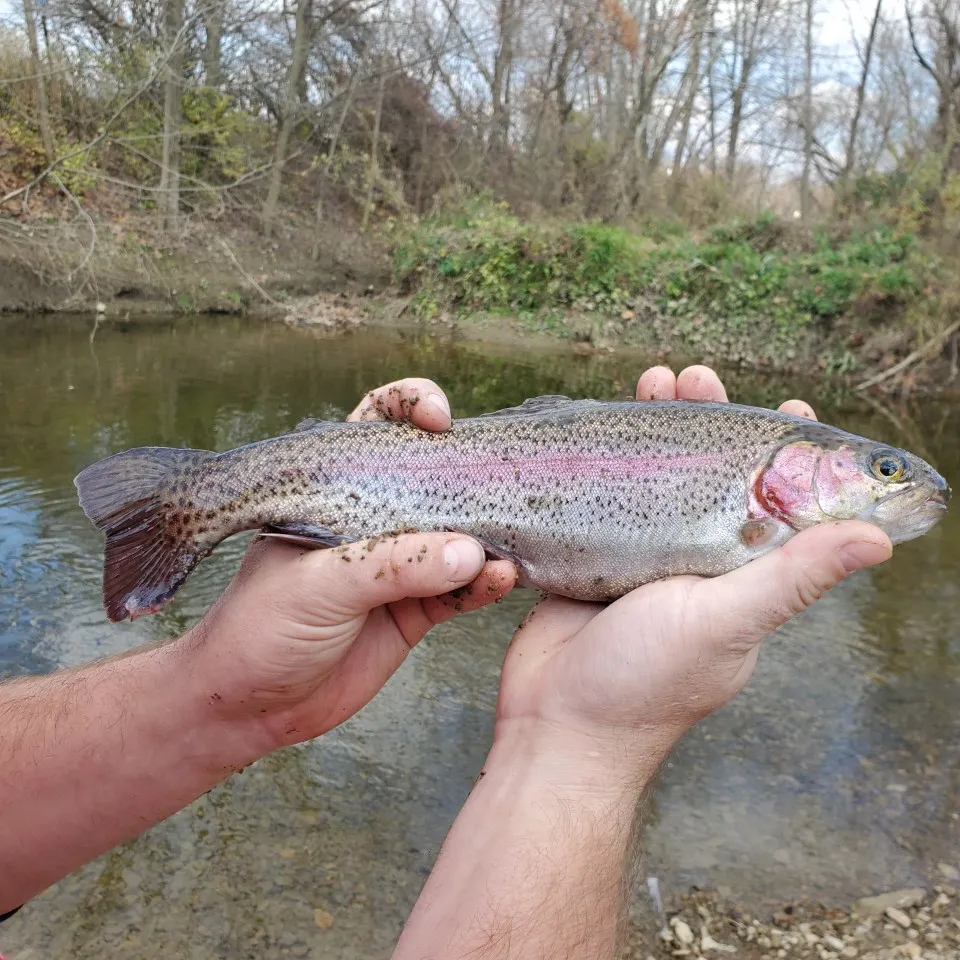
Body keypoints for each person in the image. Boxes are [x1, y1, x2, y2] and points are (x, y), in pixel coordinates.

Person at [0, 365, 892, 958]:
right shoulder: (757, 510)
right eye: (880, 474)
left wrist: (214, 698)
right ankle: (209, 498)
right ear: (805, 469)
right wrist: (584, 753)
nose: (894, 491)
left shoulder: (761, 497)